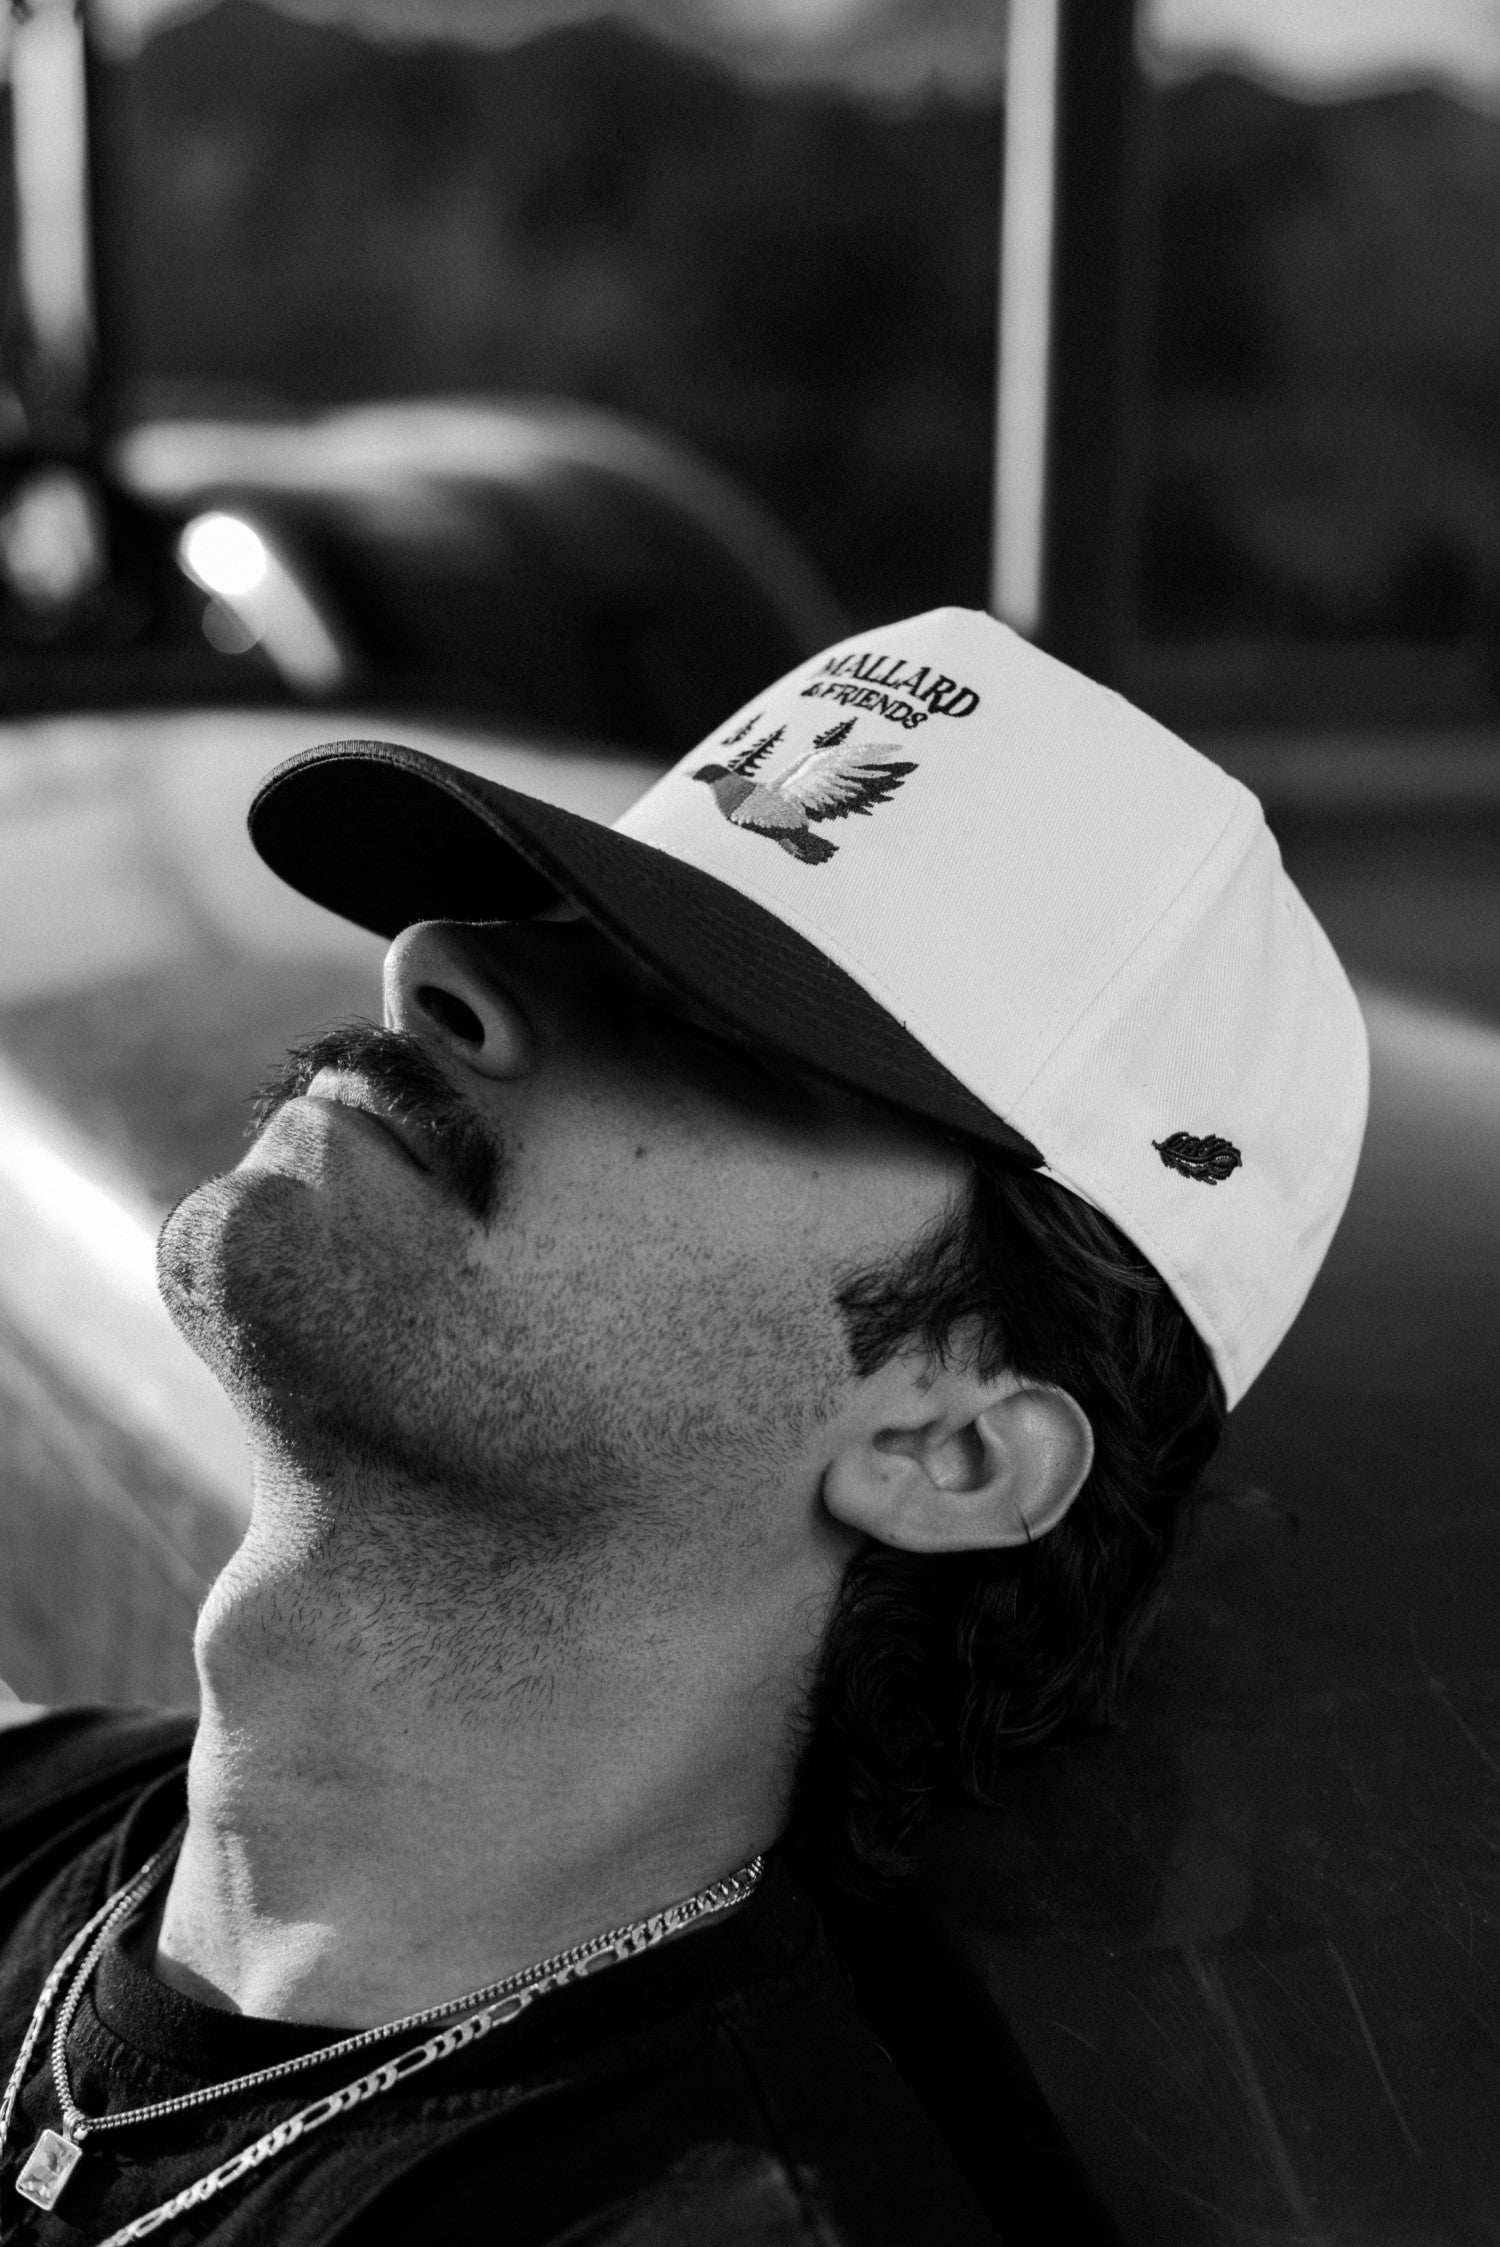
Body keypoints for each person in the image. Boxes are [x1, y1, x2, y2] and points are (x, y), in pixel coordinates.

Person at [0, 608, 1368, 2245]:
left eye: (717, 1025)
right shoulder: (53, 1835)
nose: (438, 961)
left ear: (951, 1452)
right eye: (537, 905)